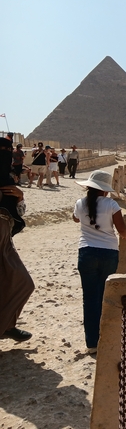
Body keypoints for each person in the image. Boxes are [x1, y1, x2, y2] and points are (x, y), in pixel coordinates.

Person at [73, 170, 126, 353]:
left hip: (86, 253)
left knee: (90, 299)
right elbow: (123, 232)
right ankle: (107, 336)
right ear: (105, 190)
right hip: (108, 253)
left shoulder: (80, 203)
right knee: (106, 296)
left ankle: (92, 343)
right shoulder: (111, 204)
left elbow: (75, 218)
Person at [0, 136, 33, 342]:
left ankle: (6, 324)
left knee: (22, 282)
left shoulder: (8, 179)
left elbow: (19, 212)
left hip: (4, 238)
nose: (5, 153)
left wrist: (19, 197)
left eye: (7, 150)